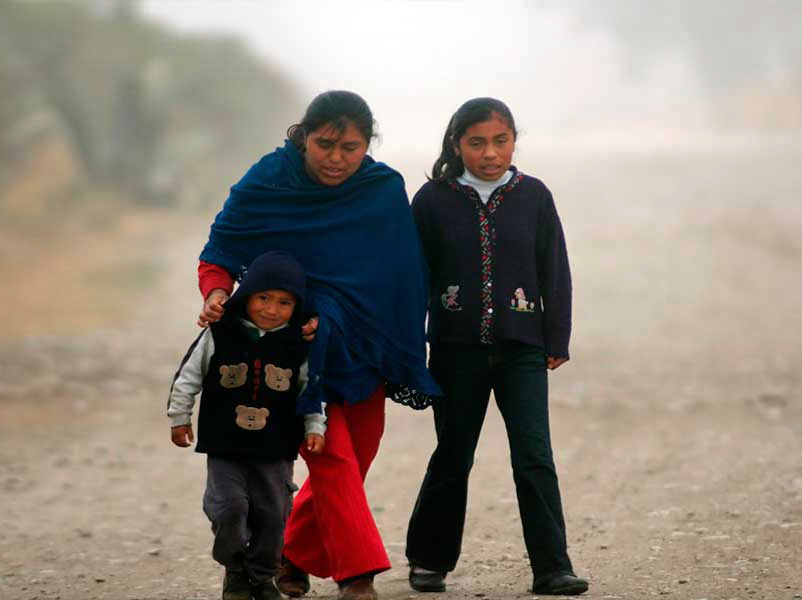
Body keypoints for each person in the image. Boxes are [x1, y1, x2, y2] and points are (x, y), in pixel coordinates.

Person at [196, 90, 440, 600]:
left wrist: (387, 333)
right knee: (332, 455)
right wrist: (217, 291)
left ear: (367, 144)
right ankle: (359, 574)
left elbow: (403, 276)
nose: (336, 158)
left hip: (364, 345)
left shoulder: (382, 189)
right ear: (303, 136)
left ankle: (290, 549)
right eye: (325, 144)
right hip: (285, 347)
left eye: (350, 147)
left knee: (359, 453)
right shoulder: (268, 181)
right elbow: (220, 249)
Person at [404, 98, 589, 596]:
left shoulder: (534, 196)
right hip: (454, 349)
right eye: (477, 142)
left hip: (523, 348)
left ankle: (553, 567)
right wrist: (408, 346)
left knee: (534, 455)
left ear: (514, 141)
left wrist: (558, 336)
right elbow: (413, 278)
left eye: (500, 141)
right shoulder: (433, 200)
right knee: (453, 454)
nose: (490, 153)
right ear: (457, 144)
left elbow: (555, 268)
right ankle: (429, 560)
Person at [168, 251, 326, 600]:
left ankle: (260, 576)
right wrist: (179, 416)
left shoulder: (299, 344)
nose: (271, 309)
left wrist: (315, 427)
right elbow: (188, 376)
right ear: (247, 295)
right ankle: (235, 567)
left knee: (273, 516)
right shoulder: (220, 332)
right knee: (229, 509)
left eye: (284, 302)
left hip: (276, 449)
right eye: (263, 298)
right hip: (225, 443)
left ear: (297, 306)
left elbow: (311, 390)